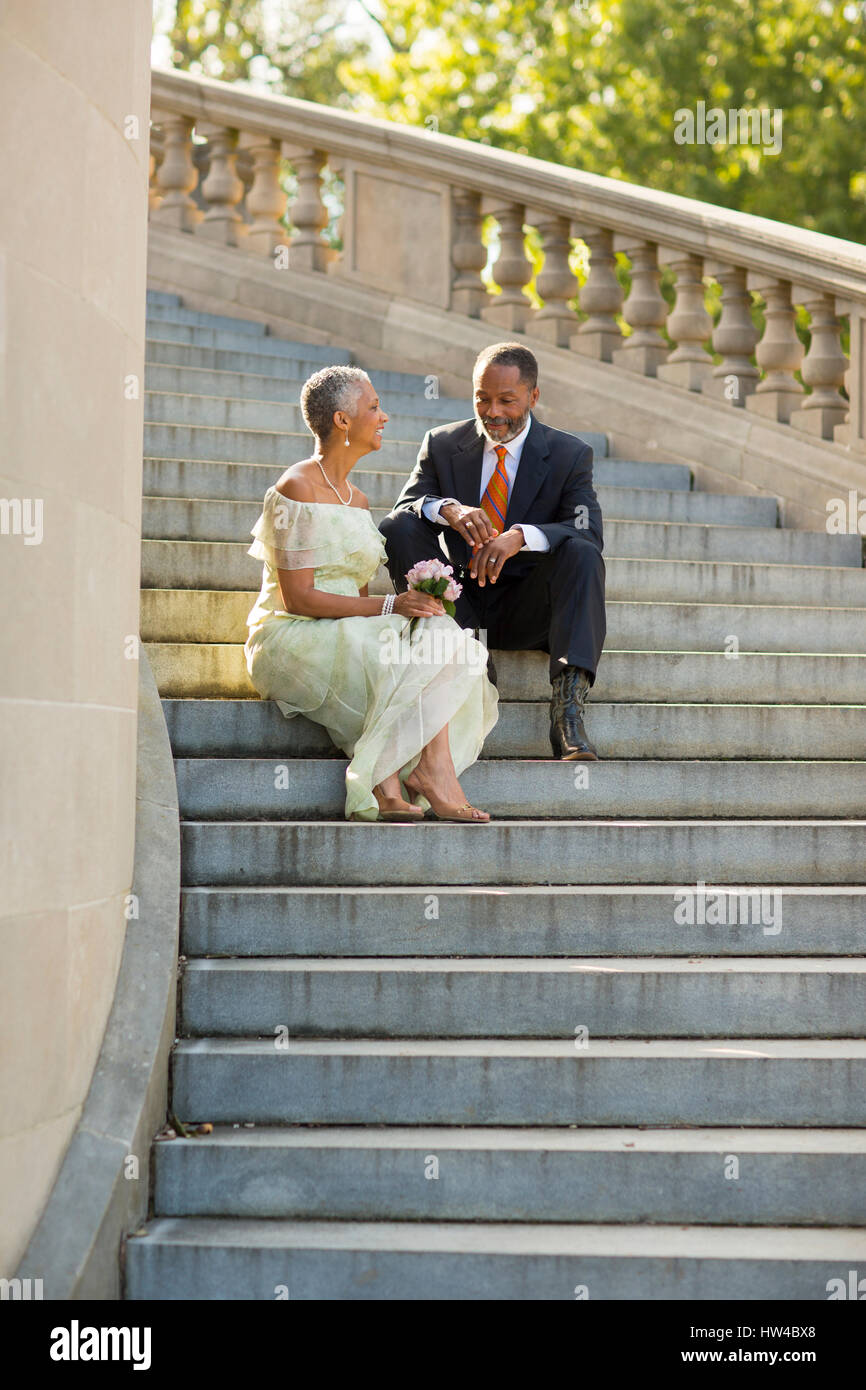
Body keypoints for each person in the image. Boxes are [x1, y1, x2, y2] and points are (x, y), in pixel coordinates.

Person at [243, 365, 498, 822]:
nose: (384, 417)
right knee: (377, 646)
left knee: (437, 630)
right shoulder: (295, 486)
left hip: (344, 626)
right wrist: (390, 605)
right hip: (292, 632)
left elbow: (359, 596)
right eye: (374, 407)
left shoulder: (357, 501)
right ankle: (396, 783)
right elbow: (297, 599)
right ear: (342, 420)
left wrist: (412, 608)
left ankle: (420, 775)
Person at [379, 342, 606, 759]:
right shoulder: (442, 443)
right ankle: (469, 659)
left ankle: (567, 713)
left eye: (507, 400)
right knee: (397, 526)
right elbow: (405, 508)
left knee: (583, 553)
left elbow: (587, 528)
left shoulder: (569, 454)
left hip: (529, 610)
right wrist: (448, 509)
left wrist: (520, 536)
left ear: (533, 397)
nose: (493, 412)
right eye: (482, 398)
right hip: (458, 607)